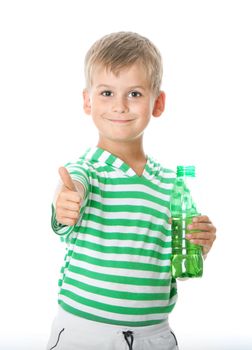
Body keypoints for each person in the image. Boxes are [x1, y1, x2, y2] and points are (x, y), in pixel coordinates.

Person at [47, 31, 216, 350]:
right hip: (85, 334)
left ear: (158, 102)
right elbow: (70, 186)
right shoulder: (88, 171)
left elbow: (179, 264)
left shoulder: (171, 184)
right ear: (88, 100)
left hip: (154, 336)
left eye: (135, 94)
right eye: (107, 92)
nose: (120, 106)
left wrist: (198, 246)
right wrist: (64, 203)